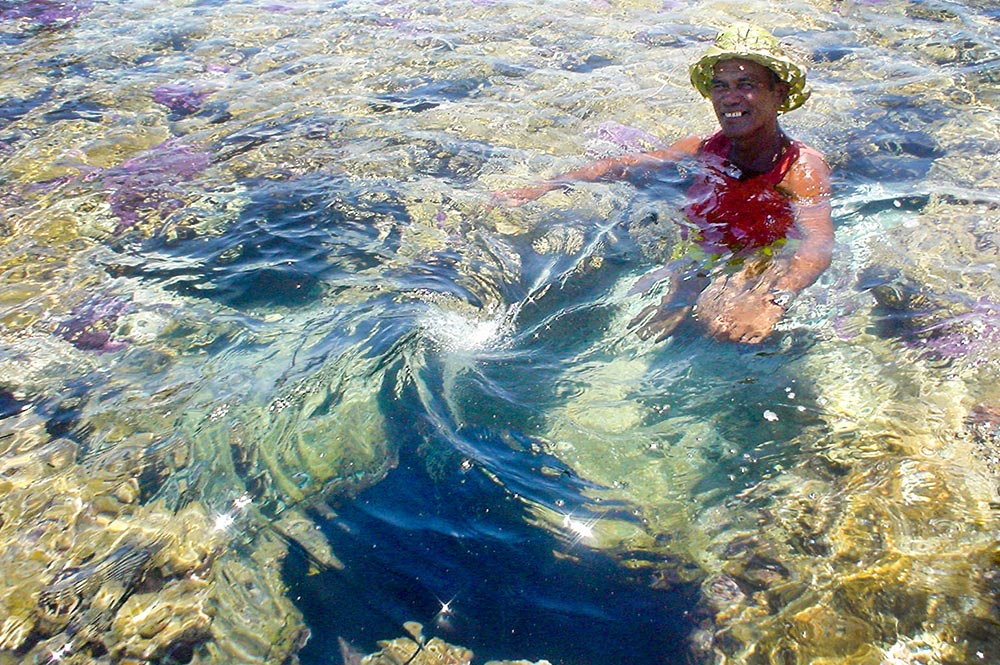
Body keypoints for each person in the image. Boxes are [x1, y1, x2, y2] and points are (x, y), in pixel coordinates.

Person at [494, 23, 833, 344]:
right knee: (652, 331)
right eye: (721, 85)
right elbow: (623, 166)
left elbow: (817, 244)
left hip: (762, 254)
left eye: (746, 85)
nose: (730, 98)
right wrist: (546, 186)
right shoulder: (702, 148)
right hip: (702, 246)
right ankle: (684, 295)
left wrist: (776, 298)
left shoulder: (800, 168)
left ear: (779, 93)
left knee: (720, 324)